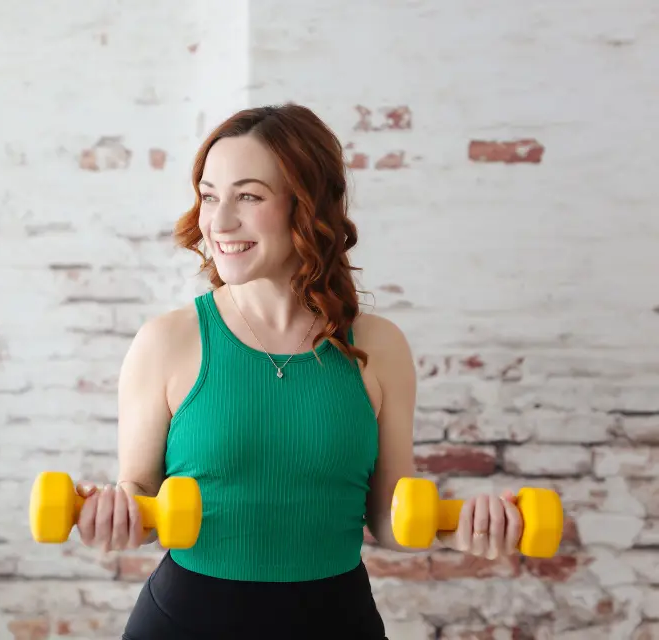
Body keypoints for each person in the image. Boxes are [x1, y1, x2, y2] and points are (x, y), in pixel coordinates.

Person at [72, 104, 524, 639]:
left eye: (249, 196)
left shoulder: (380, 347)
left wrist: (460, 532)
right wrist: (115, 515)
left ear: (306, 207)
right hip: (186, 623)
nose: (218, 222)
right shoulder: (166, 342)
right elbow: (141, 495)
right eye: (210, 195)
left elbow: (387, 518)